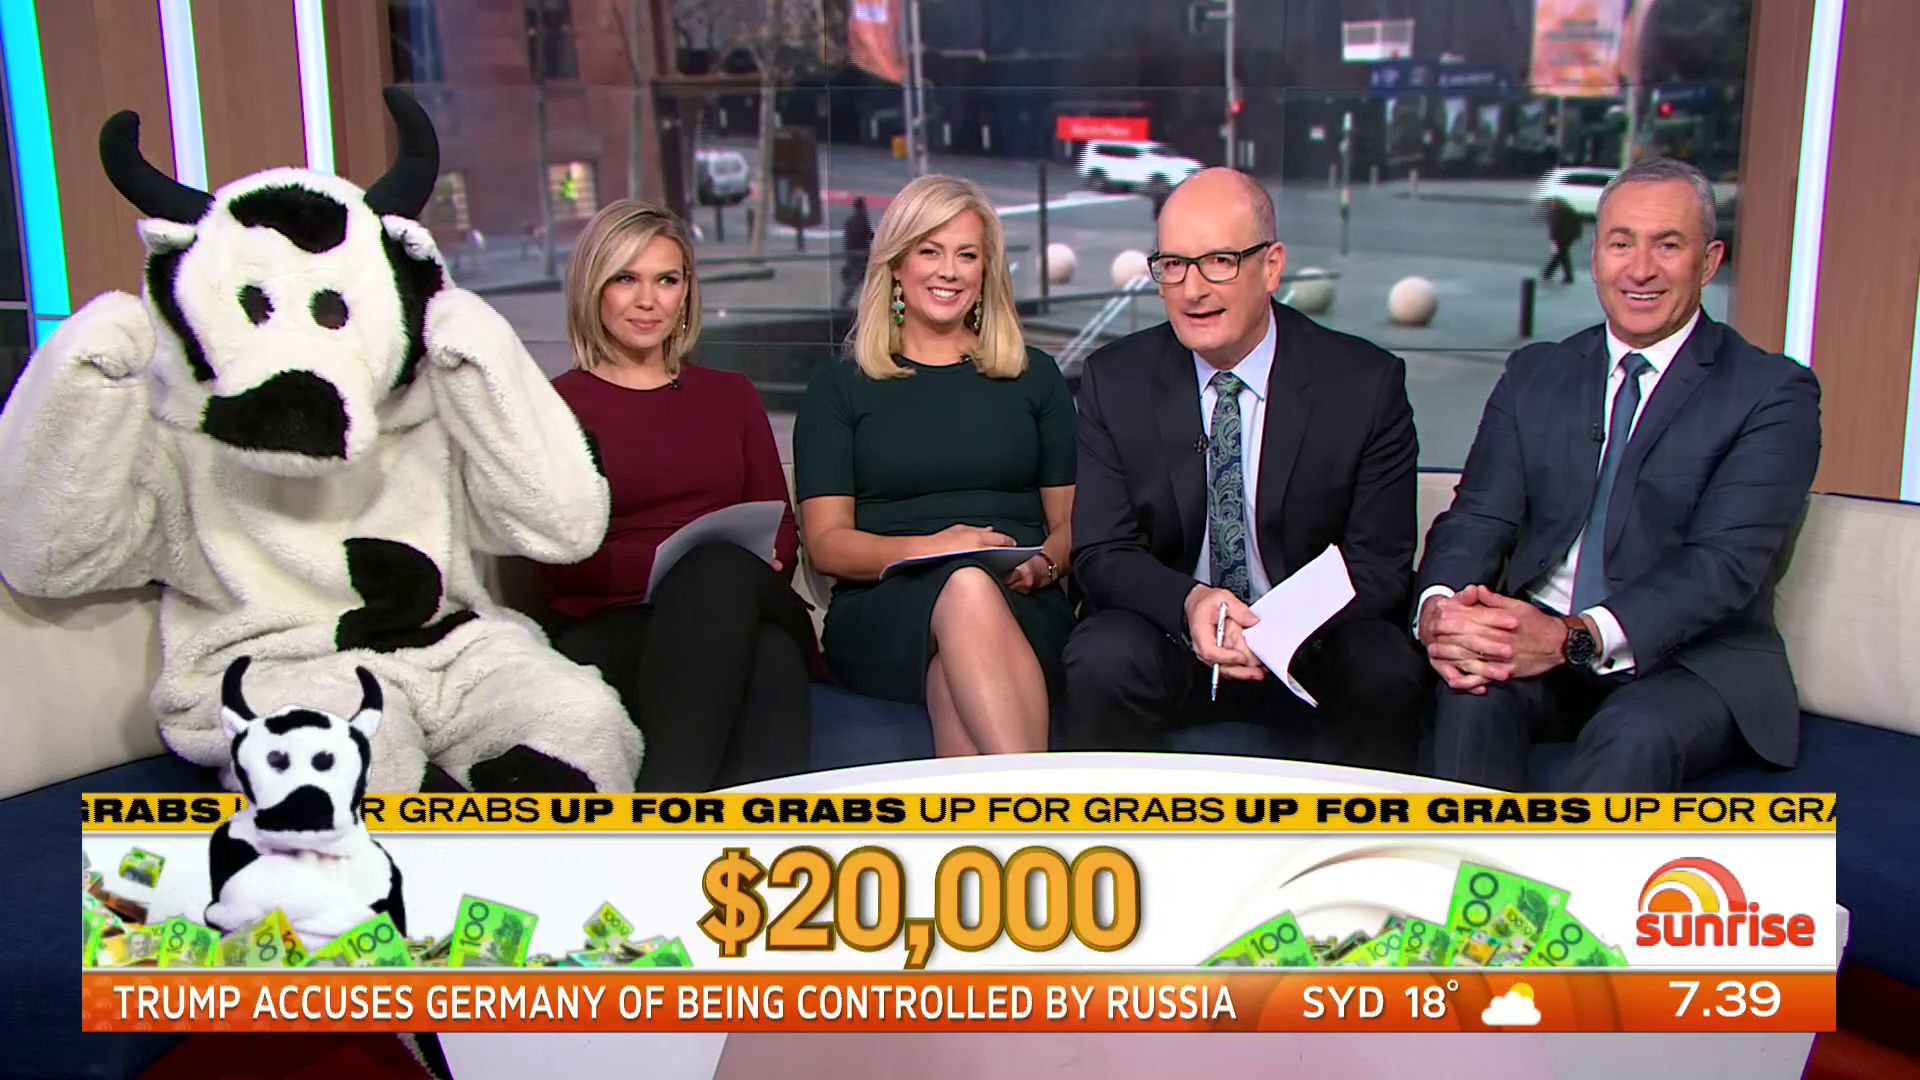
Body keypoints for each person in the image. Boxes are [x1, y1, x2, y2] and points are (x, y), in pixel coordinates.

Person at [1415, 158, 1822, 792]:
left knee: (1633, 734)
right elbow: (1477, 517)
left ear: (1709, 262)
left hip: (1689, 661)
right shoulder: (1536, 374)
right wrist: (1440, 611)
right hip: (1543, 638)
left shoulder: (1772, 393)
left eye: (1668, 245)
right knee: (1471, 692)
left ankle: (1576, 868)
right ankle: (1469, 864)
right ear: (1596, 255)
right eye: (1621, 243)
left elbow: (1721, 566)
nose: (1640, 269)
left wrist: (1572, 638)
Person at [1062, 168, 1429, 771]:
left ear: (1272, 266)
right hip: (1174, 634)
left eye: (1219, 262)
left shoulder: (1364, 384)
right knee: (1102, 656)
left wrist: (1273, 629)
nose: (1192, 290)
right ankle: (1117, 832)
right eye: (1173, 265)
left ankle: (1344, 834)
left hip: (1313, 641)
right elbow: (1103, 551)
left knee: (1383, 666)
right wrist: (1191, 603)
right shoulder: (1115, 379)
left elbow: (1379, 565)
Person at [538, 200, 815, 791]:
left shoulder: (731, 394)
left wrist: (737, 567)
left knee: (721, 577)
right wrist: (678, 568)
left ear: (686, 291)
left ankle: (662, 814)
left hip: (741, 592)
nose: (649, 300)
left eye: (667, 280)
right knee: (767, 655)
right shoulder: (554, 407)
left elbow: (780, 528)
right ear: (593, 288)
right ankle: (747, 837)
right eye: (626, 280)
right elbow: (555, 557)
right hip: (613, 622)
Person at [794, 175, 1075, 757]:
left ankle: (1000, 813)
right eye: (930, 251)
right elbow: (826, 545)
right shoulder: (839, 386)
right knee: (965, 585)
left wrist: (1045, 564)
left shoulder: (1036, 377)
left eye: (966, 255)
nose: (949, 271)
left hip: (1021, 599)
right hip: (884, 606)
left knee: (955, 669)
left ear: (985, 270)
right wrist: (937, 548)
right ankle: (1037, 799)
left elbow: (1073, 523)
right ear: (897, 265)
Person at [840, 196, 874, 308]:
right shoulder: (863, 220)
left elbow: (847, 240)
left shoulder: (849, 222)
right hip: (862, 254)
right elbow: (870, 236)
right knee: (864, 279)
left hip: (852, 254)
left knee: (858, 279)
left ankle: (846, 300)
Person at [1541, 197, 1581, 285]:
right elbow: (1577, 224)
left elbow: (1555, 227)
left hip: (1561, 238)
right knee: (1561, 256)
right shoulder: (1569, 211)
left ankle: (1566, 276)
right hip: (1569, 237)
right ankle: (1548, 273)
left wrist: (1553, 240)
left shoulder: (1556, 213)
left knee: (1561, 256)